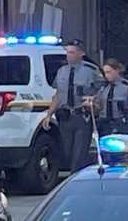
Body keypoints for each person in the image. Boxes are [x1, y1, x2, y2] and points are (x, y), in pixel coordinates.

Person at [42, 40, 101, 172]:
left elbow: (103, 91)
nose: (69, 55)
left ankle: (75, 182)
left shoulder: (90, 71)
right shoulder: (62, 71)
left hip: (82, 117)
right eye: (67, 52)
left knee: (79, 155)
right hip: (65, 117)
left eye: (72, 52)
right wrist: (49, 114)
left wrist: (93, 99)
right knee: (66, 153)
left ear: (81, 53)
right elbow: (58, 95)